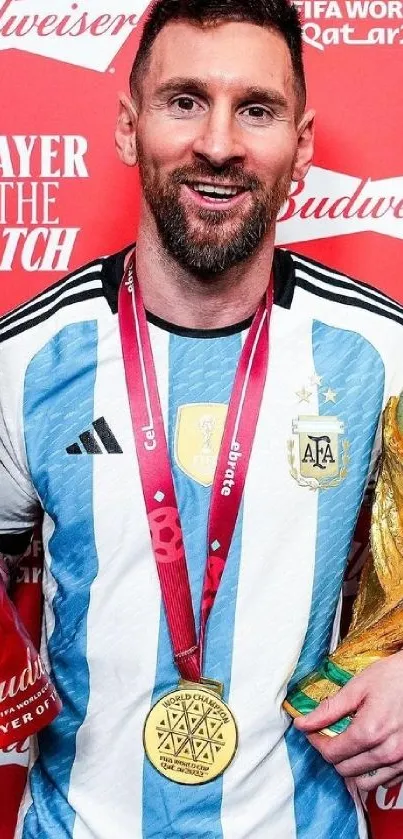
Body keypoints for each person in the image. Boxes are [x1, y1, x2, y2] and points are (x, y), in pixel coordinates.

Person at [1, 0, 403, 836]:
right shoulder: (26, 357)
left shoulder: (378, 350)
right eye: (184, 99)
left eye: (256, 109)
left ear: (303, 145)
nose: (217, 143)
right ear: (126, 125)